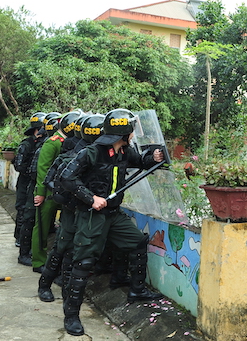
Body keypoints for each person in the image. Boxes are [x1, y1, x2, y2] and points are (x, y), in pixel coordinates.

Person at [60, 108, 164, 336]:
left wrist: (154, 158)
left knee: (137, 241)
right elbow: (66, 177)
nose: (133, 135)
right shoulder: (91, 152)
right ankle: (71, 315)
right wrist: (91, 198)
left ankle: (136, 290)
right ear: (123, 133)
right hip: (92, 217)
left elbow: (141, 161)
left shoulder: (124, 151)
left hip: (114, 214)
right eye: (131, 131)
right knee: (84, 263)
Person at [37, 113, 105, 303]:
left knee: (74, 252)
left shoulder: (98, 154)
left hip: (87, 211)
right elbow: (51, 180)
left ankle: (66, 291)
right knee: (61, 247)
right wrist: (71, 198)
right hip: (71, 210)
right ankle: (44, 285)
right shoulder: (72, 153)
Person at [32, 110, 80, 273]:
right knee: (42, 227)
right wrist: (40, 193)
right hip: (48, 193)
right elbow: (43, 170)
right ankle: (38, 261)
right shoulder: (52, 143)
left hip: (63, 193)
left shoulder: (70, 142)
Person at [17, 112, 60, 267]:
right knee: (28, 218)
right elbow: (33, 170)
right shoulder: (39, 144)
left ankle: (30, 251)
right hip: (32, 186)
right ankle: (24, 253)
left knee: (34, 220)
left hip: (37, 186)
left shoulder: (45, 142)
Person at [14, 112, 44, 248]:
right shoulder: (27, 144)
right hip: (25, 182)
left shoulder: (42, 143)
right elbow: (18, 165)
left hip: (34, 182)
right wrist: (31, 171)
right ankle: (19, 238)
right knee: (22, 209)